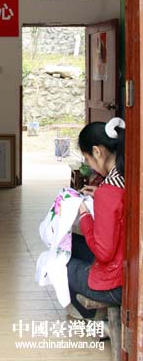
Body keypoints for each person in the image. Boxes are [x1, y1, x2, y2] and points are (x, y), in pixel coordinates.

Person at [67, 117, 125, 319]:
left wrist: (84, 213)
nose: (89, 165)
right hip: (127, 267)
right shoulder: (127, 177)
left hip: (116, 284)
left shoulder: (108, 192)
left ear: (97, 152)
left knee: (59, 263)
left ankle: (86, 314)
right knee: (74, 242)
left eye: (87, 158)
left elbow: (104, 252)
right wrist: (99, 194)